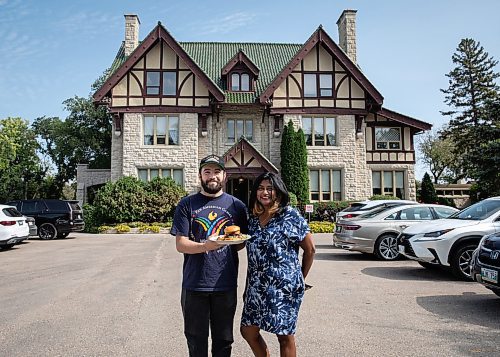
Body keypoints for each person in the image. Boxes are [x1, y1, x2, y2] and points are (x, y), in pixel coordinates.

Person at [171, 154, 248, 357]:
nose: (212, 176)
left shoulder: (237, 206)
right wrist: (208, 246)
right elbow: (181, 244)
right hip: (195, 284)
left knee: (224, 342)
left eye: (216, 172)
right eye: (207, 172)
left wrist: (225, 244)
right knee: (196, 342)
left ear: (224, 176)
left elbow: (240, 243)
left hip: (225, 284)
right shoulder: (187, 204)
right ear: (200, 176)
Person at [240, 172, 315, 357]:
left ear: (278, 192)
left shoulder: (289, 215)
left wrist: (299, 279)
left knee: (284, 335)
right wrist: (247, 287)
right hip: (256, 286)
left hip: (284, 287)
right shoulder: (254, 220)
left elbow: (310, 249)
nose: (264, 192)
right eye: (260, 188)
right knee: (248, 330)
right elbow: (252, 256)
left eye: (269, 188)